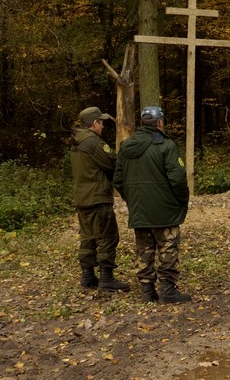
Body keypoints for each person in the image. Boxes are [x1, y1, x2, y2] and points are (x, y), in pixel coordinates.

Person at [113, 106, 191, 304]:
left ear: (142, 123)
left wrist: (133, 200)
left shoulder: (126, 147)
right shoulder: (166, 145)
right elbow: (178, 178)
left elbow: (118, 181)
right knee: (168, 248)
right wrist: (180, 200)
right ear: (159, 123)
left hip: (140, 210)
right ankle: (168, 290)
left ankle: (148, 292)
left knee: (144, 250)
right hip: (164, 209)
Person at [70, 106, 130, 292]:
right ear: (94, 123)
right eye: (101, 122)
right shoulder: (93, 143)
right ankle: (107, 278)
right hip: (97, 197)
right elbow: (113, 163)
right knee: (107, 237)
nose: (103, 125)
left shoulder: (76, 141)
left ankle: (88, 276)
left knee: (87, 238)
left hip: (82, 198)